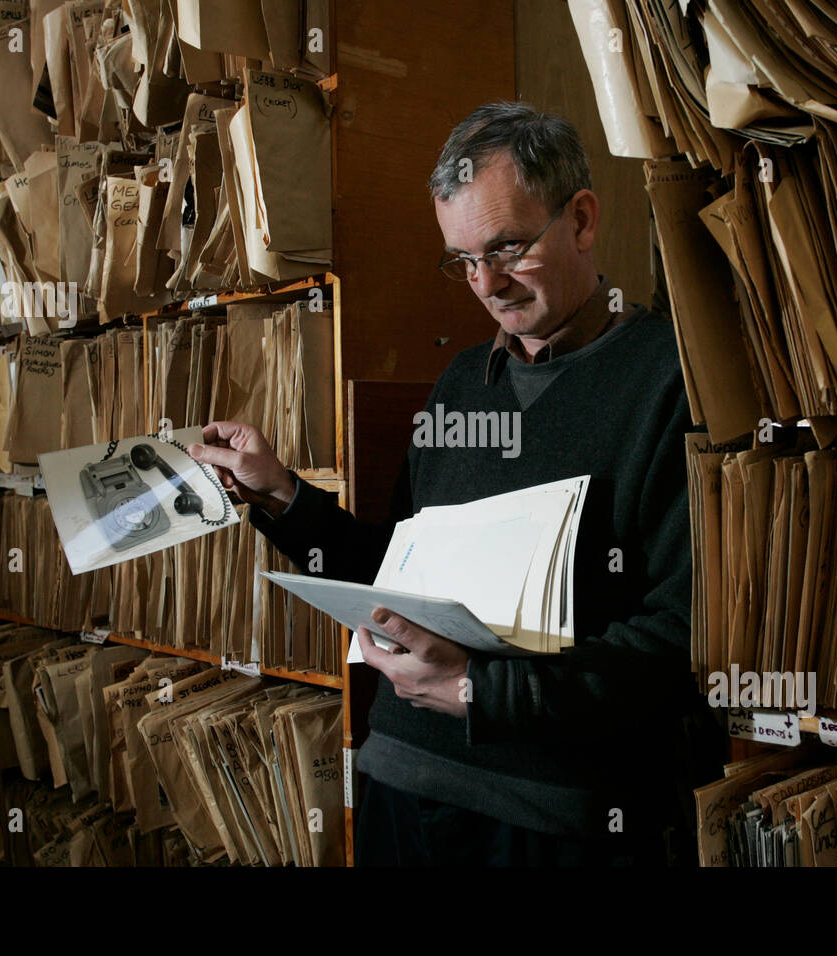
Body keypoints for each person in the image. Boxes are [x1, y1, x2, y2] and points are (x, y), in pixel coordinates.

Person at [190, 102, 721, 866]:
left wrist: (484, 691)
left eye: (507, 247)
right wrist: (283, 496)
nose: (487, 284)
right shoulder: (460, 382)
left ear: (582, 218)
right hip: (399, 786)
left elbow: (681, 642)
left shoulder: (672, 381)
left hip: (555, 819)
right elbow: (399, 579)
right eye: (462, 260)